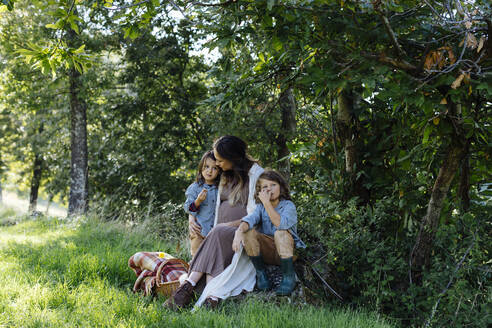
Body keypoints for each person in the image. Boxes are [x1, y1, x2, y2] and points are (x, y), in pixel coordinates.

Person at [164, 135, 264, 310]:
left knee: (217, 233)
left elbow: (257, 214)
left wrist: (228, 227)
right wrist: (191, 217)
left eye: (219, 160)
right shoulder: (224, 174)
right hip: (217, 234)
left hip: (242, 233)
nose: (216, 164)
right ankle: (198, 294)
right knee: (213, 240)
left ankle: (187, 288)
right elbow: (203, 198)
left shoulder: (256, 174)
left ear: (232, 158)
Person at [233, 170, 306, 296]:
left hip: (287, 253)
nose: (269, 189)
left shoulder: (289, 206)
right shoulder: (260, 208)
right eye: (265, 187)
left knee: (280, 233)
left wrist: (267, 203)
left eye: (273, 185)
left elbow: (280, 224)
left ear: (280, 187)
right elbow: (249, 220)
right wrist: (238, 232)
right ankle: (262, 274)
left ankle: (288, 277)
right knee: (248, 232)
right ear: (260, 192)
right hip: (268, 251)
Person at [184, 150, 221, 256]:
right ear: (201, 167)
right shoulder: (195, 188)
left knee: (212, 258)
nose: (210, 171)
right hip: (199, 231)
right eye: (206, 167)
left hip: (215, 232)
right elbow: (188, 208)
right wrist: (198, 201)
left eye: (214, 168)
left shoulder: (220, 188)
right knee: (197, 258)